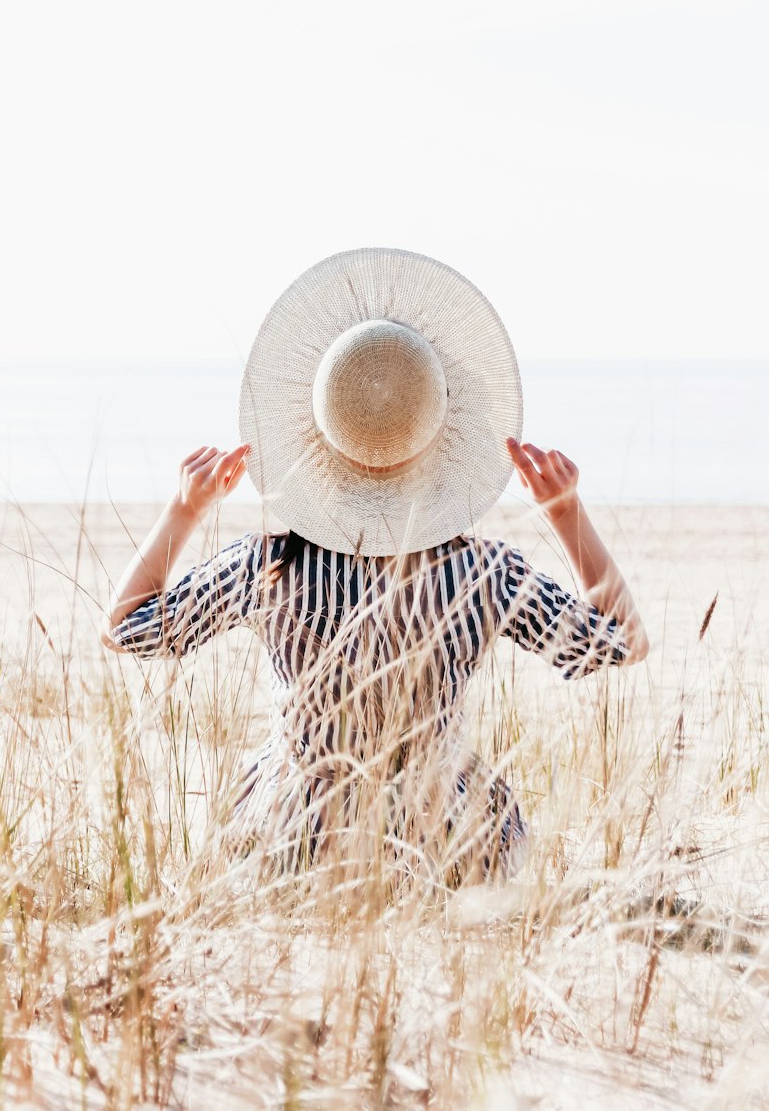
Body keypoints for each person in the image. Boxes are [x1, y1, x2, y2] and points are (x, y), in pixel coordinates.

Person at [107, 249, 649, 885]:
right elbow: (624, 642)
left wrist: (184, 508)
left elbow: (126, 628)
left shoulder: (268, 565)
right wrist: (564, 510)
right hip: (448, 845)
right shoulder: (486, 572)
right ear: (440, 437)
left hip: (297, 846)